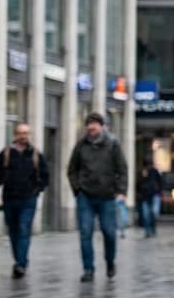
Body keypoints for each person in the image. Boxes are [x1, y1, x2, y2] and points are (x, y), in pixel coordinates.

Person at [68, 113, 128, 282]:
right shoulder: (81, 145)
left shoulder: (113, 144)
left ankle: (110, 261)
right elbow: (72, 169)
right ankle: (88, 269)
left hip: (107, 197)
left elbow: (122, 170)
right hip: (85, 196)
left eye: (94, 124)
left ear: (102, 126)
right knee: (85, 233)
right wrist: (77, 189)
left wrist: (121, 191)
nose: (91, 127)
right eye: (89, 124)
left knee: (109, 233)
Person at [0, 122, 50, 278]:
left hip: (29, 199)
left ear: (29, 135)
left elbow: (45, 175)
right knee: (14, 231)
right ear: (15, 135)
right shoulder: (5, 154)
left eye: (26, 133)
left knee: (23, 228)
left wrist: (38, 189)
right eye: (21, 133)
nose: (24, 136)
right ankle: (19, 260)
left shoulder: (36, 154)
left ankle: (21, 264)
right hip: (10, 198)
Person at [137, 161, 163, 238]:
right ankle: (148, 230)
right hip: (146, 196)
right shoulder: (143, 172)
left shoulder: (154, 172)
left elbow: (160, 182)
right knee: (147, 215)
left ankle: (151, 229)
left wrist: (158, 192)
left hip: (153, 195)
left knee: (152, 214)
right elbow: (138, 184)